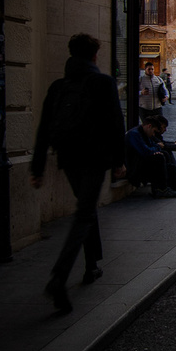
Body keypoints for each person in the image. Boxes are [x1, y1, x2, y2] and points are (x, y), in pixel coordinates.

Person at [32, 34, 126, 313]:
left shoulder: (58, 86)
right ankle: (59, 278)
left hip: (68, 158)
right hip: (94, 158)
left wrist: (37, 167)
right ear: (95, 56)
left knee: (86, 208)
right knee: (84, 213)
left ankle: (92, 264)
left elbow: (44, 128)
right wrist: (119, 160)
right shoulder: (103, 82)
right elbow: (115, 122)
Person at [126, 116, 176, 197]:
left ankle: (169, 186)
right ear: (149, 126)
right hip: (134, 167)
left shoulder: (143, 134)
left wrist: (156, 149)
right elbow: (145, 151)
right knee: (159, 158)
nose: (153, 134)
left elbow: (152, 147)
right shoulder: (134, 134)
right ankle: (161, 189)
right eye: (154, 131)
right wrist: (157, 148)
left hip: (139, 162)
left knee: (164, 155)